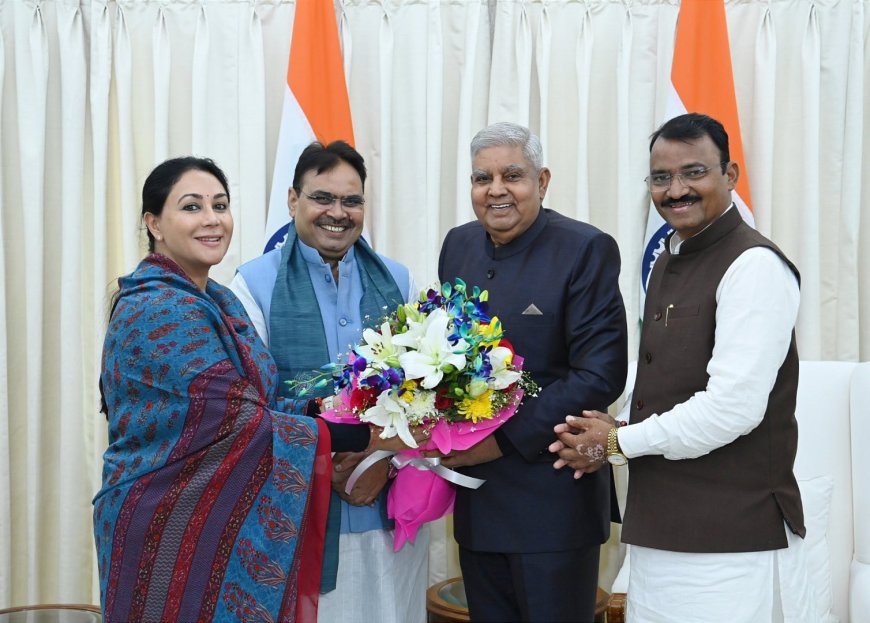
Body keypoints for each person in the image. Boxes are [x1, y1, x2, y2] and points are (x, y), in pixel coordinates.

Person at [94, 156, 416, 623]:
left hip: (214, 522)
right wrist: (367, 437)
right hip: (165, 523)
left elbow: (259, 399)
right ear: (154, 223)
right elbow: (242, 421)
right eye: (191, 206)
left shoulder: (219, 300)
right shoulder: (157, 308)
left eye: (220, 205)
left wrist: (331, 409)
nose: (212, 219)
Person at [550, 112, 816, 622]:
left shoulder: (754, 265)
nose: (676, 191)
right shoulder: (671, 256)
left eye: (694, 172)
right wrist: (612, 427)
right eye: (661, 178)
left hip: (729, 544)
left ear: (730, 176)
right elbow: (666, 381)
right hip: (661, 534)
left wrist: (616, 442)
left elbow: (733, 410)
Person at [436, 121, 628, 622]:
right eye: (482, 178)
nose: (495, 190)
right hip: (477, 503)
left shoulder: (584, 248)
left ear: (541, 182)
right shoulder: (458, 245)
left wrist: (496, 442)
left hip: (553, 501)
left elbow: (600, 373)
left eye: (512, 175)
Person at [230, 141, 429, 623]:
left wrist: (381, 457)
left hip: (387, 507)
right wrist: (333, 459)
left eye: (352, 200)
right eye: (323, 198)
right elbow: (250, 401)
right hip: (298, 510)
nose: (338, 213)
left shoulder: (400, 281)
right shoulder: (251, 284)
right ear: (293, 200)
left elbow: (428, 393)